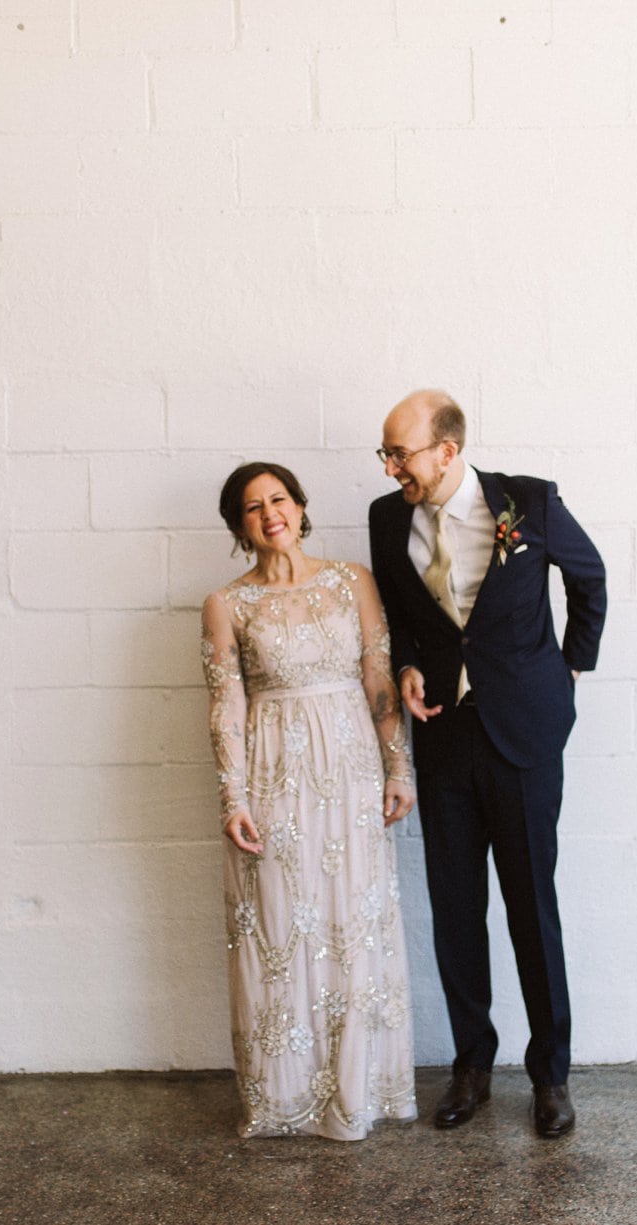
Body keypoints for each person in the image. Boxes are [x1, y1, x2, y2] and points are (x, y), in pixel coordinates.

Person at [367, 390, 607, 1139]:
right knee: (456, 909)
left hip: (525, 735)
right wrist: (406, 664)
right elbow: (403, 618)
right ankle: (472, 1063)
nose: (391, 465)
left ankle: (551, 1075)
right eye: (386, 453)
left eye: (400, 451)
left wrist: (569, 669)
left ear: (447, 448)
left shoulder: (527, 502)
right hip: (444, 738)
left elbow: (589, 576)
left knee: (533, 906)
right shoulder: (385, 517)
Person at [201, 460, 419, 1140]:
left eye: (279, 498)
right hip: (273, 777)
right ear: (239, 526)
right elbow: (225, 703)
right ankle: (285, 1098)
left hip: (350, 771)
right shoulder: (226, 603)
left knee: (350, 922)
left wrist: (398, 767)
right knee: (280, 926)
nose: (270, 512)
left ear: (300, 505)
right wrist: (231, 794)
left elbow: (378, 676)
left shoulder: (352, 580)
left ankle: (359, 1092)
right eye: (251, 507)